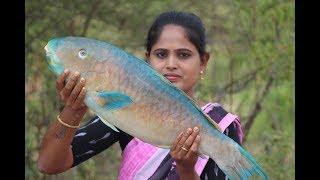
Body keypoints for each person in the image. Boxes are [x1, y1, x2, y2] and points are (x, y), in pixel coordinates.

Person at [38, 11, 243, 180]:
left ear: (203, 62)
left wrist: (187, 170)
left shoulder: (221, 127)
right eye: (161, 54)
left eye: (184, 54)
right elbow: (49, 164)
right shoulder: (125, 112)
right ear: (147, 60)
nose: (171, 64)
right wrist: (73, 110)